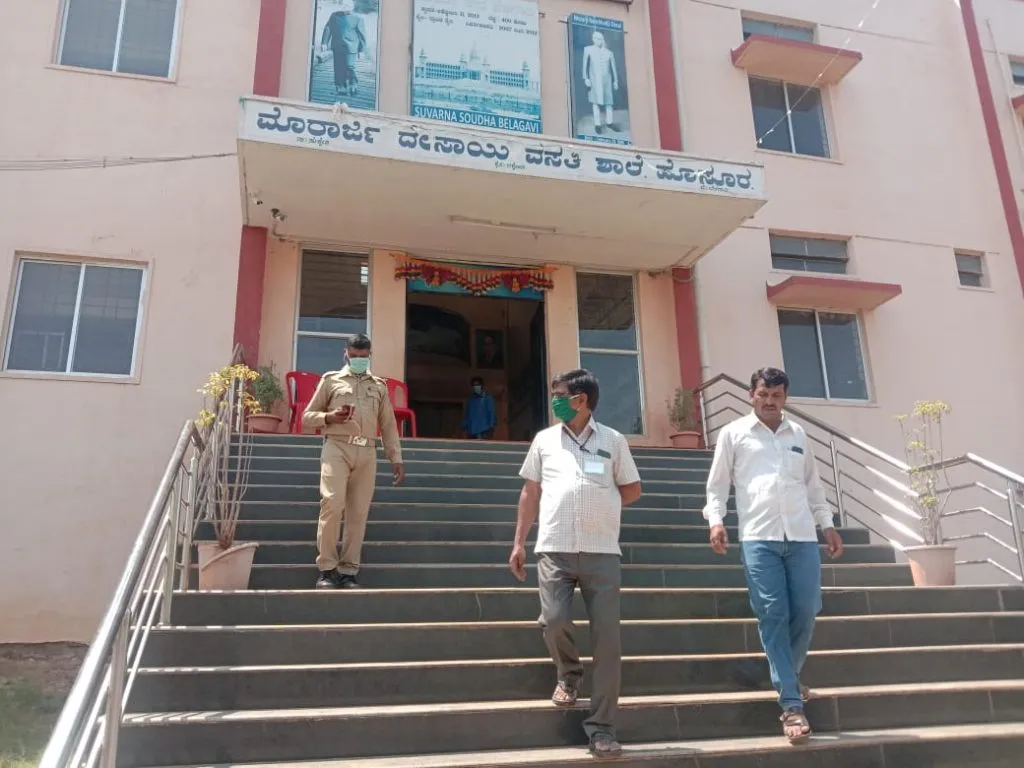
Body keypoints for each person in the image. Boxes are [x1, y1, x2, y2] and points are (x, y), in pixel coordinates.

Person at [702, 367, 844, 745]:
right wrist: (716, 521)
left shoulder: (798, 434)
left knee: (808, 609)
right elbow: (717, 485)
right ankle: (792, 704)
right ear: (752, 394)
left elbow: (813, 486)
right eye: (763, 394)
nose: (769, 401)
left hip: (801, 537)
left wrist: (827, 525)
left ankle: (787, 677)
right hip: (758, 538)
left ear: (785, 397)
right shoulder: (734, 434)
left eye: (776, 395)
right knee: (773, 613)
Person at [508, 369, 642, 758]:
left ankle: (602, 728)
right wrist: (518, 542)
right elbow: (530, 492)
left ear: (581, 399)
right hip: (555, 548)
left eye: (559, 395)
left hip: (602, 552)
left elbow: (632, 489)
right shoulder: (544, 440)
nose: (554, 401)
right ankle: (569, 673)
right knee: (553, 620)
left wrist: (602, 504)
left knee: (608, 642)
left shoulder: (613, 441)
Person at [303, 334, 405, 589]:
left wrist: (395, 457)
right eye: (354, 355)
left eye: (363, 356)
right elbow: (307, 417)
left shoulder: (379, 386)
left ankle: (348, 571)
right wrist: (329, 417)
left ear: (370, 355)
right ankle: (327, 569)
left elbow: (388, 425)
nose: (358, 359)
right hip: (336, 447)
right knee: (332, 504)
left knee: (358, 513)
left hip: (367, 451)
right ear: (345, 354)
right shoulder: (331, 380)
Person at [320, 0, 366, 99]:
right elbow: (328, 29)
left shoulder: (358, 18)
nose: (344, 7)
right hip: (337, 46)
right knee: (338, 68)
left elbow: (362, 35)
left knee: (350, 66)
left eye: (347, 5)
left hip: (351, 48)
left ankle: (353, 86)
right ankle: (341, 89)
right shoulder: (334, 16)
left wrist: (361, 50)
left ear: (352, 7)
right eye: (343, 5)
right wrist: (324, 43)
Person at [582, 30, 619, 135]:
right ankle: (597, 125)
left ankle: (609, 122)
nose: (598, 40)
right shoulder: (588, 49)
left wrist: (615, 81)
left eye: (600, 39)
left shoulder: (609, 53)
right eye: (596, 38)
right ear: (593, 39)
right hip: (594, 80)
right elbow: (585, 66)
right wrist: (586, 78)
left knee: (609, 103)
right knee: (595, 103)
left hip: (607, 80)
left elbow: (613, 68)